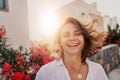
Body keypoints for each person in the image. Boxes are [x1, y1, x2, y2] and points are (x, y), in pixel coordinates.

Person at [35, 14, 108, 80]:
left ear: (84, 39)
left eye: (77, 33)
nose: (72, 38)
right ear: (60, 41)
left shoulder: (98, 71)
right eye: (66, 35)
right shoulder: (45, 73)